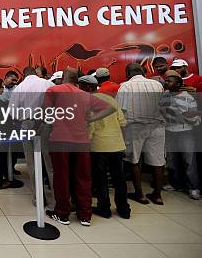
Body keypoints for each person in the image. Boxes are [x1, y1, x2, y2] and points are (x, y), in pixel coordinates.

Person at [44, 71, 115, 227]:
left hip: (60, 139)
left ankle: (62, 213)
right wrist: (90, 118)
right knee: (83, 177)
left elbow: (45, 113)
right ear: (77, 80)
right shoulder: (85, 95)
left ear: (63, 79)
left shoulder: (53, 91)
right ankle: (85, 215)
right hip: (81, 141)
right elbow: (110, 108)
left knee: (61, 177)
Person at [79, 75, 131, 219]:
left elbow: (91, 126)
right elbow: (122, 122)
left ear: (89, 87)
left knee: (100, 179)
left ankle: (104, 209)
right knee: (119, 178)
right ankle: (124, 209)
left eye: (81, 87)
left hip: (99, 146)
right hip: (117, 144)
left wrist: (86, 144)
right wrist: (123, 142)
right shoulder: (110, 99)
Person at [116, 63, 165, 205]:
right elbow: (163, 105)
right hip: (157, 126)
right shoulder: (157, 85)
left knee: (134, 160)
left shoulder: (125, 86)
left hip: (134, 126)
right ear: (143, 72)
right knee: (157, 161)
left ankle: (140, 194)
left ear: (127, 73)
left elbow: (120, 110)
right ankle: (157, 195)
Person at [9, 66, 55, 207]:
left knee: (32, 163)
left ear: (23, 75)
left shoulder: (19, 88)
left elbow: (13, 112)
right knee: (50, 164)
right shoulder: (48, 84)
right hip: (48, 123)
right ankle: (56, 199)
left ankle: (38, 198)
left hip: (27, 124)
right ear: (36, 73)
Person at [160, 70, 200, 199]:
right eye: (166, 81)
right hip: (169, 131)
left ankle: (193, 187)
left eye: (169, 81)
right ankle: (175, 183)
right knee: (171, 161)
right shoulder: (165, 96)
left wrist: (186, 118)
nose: (166, 83)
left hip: (185, 132)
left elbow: (195, 117)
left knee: (189, 160)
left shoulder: (188, 97)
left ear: (178, 84)